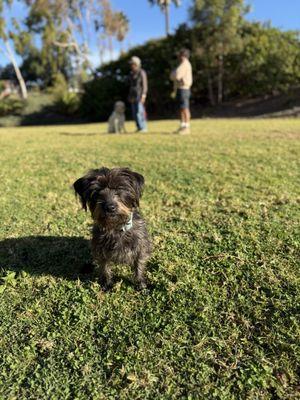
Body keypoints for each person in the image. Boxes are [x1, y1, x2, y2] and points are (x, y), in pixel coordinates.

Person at [170, 49, 193, 134]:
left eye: (180, 55)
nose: (178, 57)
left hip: (184, 88)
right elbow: (172, 76)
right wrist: (174, 74)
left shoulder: (185, 64)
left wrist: (174, 74)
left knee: (185, 108)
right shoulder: (181, 64)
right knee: (181, 108)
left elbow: (176, 75)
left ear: (183, 56)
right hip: (180, 88)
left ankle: (187, 127)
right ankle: (182, 126)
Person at [128, 56, 148, 133]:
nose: (131, 66)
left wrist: (144, 95)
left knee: (140, 112)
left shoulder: (142, 72)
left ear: (136, 64)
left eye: (132, 64)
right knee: (134, 112)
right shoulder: (131, 74)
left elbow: (144, 85)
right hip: (132, 96)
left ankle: (143, 127)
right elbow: (131, 86)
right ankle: (139, 127)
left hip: (139, 95)